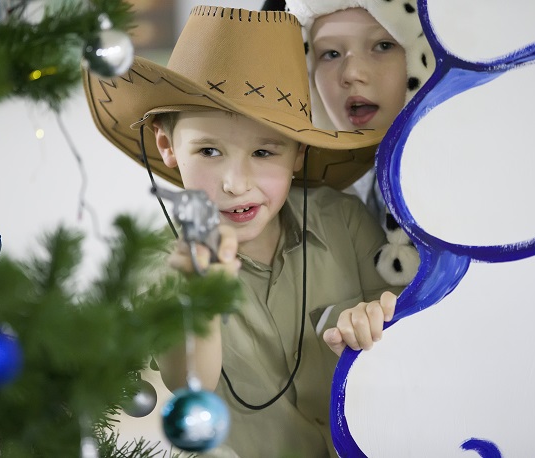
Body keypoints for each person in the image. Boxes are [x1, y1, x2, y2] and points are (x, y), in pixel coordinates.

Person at [82, 6, 402, 457]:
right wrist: (201, 298)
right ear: (167, 146)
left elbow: (402, 325)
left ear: (297, 155)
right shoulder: (165, 262)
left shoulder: (344, 220)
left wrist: (377, 317)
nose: (235, 182)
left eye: (264, 152)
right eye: (209, 150)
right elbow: (189, 380)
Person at [285, 0, 437, 287]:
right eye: (330, 53)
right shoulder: (300, 197)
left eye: (382, 46)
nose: (352, 73)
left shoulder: (466, 182)